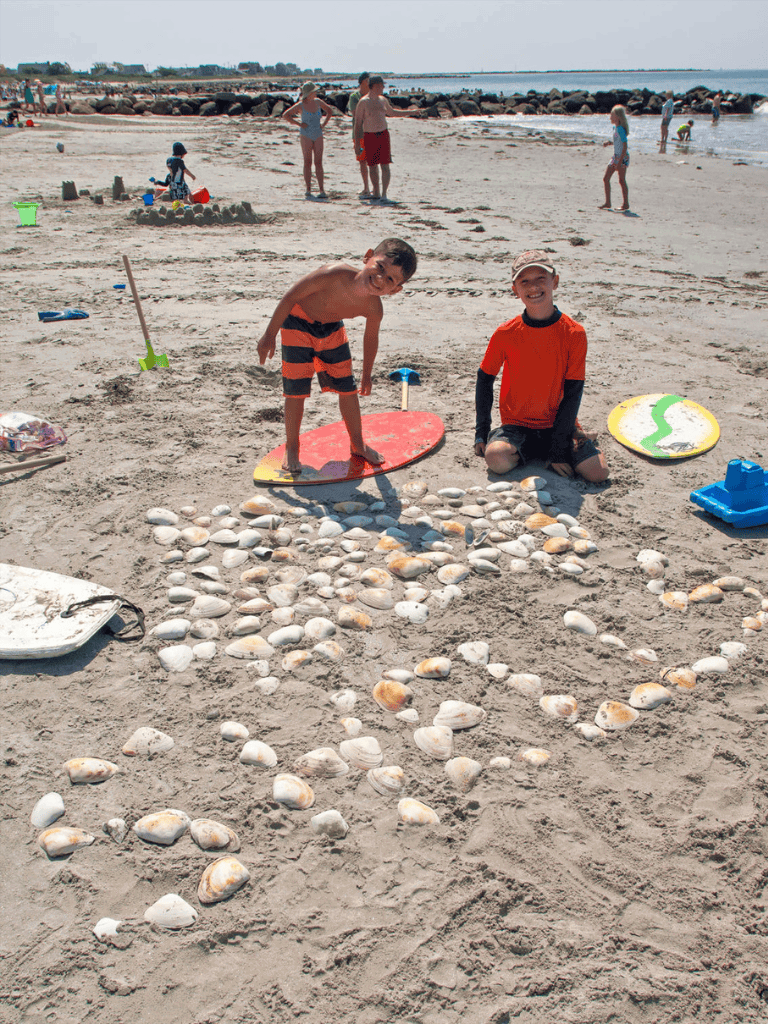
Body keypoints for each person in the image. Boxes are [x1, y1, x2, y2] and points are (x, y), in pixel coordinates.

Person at [256, 238, 417, 474]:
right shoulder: (334, 274)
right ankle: (292, 447)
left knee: (348, 389)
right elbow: (290, 297)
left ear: (395, 290)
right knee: (296, 390)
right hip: (297, 323)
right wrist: (269, 335)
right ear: (368, 256)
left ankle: (358, 444)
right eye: (380, 267)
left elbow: (370, 338)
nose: (381, 278)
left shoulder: (374, 307)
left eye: (390, 279)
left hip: (331, 330)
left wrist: (367, 374)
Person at [474, 250, 609, 484]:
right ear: (515, 290)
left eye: (540, 278)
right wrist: (481, 431)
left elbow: (573, 392)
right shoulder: (506, 333)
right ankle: (533, 451)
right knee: (496, 459)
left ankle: (576, 438)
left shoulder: (574, 333)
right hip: (516, 426)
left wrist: (558, 449)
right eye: (524, 281)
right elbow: (485, 378)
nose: (533, 286)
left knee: (598, 474)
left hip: (558, 423)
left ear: (554, 282)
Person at [353, 75, 420, 204]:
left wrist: (411, 112)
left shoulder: (383, 100)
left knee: (385, 165)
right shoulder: (363, 102)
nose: (383, 87)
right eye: (381, 85)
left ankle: (384, 193)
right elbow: (358, 123)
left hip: (383, 135)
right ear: (375, 86)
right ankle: (376, 191)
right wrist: (357, 144)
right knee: (372, 166)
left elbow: (393, 112)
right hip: (369, 136)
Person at [283, 82, 334, 200]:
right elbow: (286, 115)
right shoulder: (301, 105)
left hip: (318, 133)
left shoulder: (318, 102)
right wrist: (299, 124)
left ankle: (321, 190)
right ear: (308, 93)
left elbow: (330, 111)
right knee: (307, 162)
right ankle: (308, 189)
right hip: (305, 134)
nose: (316, 93)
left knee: (318, 162)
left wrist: (324, 124)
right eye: (314, 91)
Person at [600, 104, 630, 211]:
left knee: (622, 180)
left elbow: (625, 146)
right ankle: (608, 203)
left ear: (617, 117)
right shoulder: (615, 128)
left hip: (622, 156)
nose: (610, 117)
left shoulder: (621, 129)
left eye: (612, 115)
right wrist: (610, 143)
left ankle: (625, 204)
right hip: (616, 156)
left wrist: (620, 161)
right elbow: (618, 142)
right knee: (606, 178)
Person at [348, 72, 371, 198]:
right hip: (359, 134)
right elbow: (356, 114)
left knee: (373, 161)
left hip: (372, 131)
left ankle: (374, 188)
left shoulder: (373, 96)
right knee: (362, 161)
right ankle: (366, 187)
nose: (370, 83)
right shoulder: (355, 96)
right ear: (362, 82)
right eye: (368, 80)